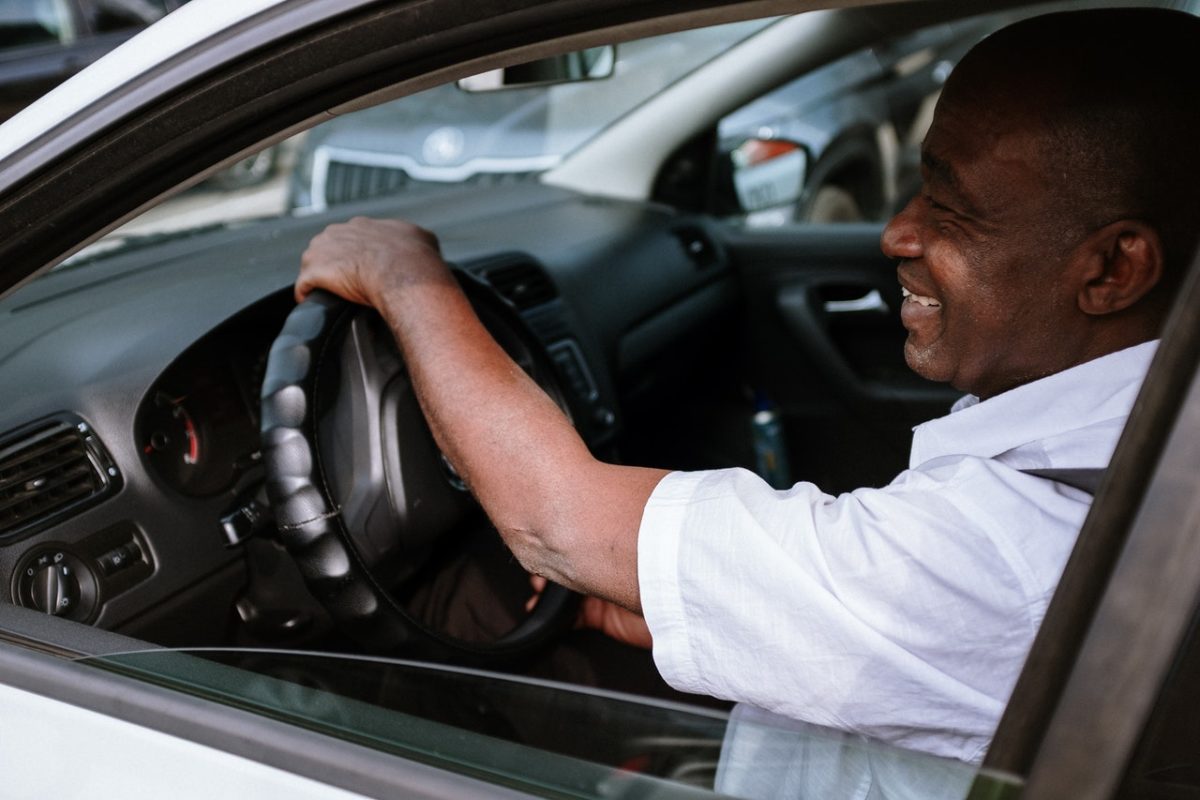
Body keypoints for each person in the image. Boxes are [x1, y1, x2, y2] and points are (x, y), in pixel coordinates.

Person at [294, 7, 1200, 769]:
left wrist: (405, 278)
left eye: (950, 207)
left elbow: (552, 523)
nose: (895, 234)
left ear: (1115, 269)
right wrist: (721, 612)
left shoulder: (1013, 549)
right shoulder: (1137, 459)